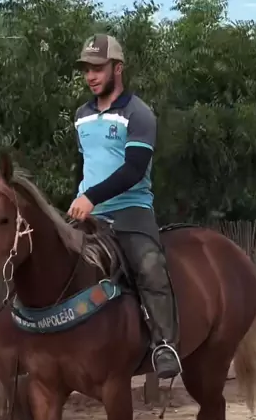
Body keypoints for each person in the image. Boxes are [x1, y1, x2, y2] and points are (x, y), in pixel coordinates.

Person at [68, 33, 182, 380]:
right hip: (88, 215)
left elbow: (133, 170)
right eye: (87, 69)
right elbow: (86, 165)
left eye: (98, 68)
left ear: (118, 68)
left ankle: (164, 345)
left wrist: (92, 197)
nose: (91, 76)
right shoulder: (81, 116)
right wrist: (80, 198)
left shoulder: (139, 113)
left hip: (131, 212)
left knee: (150, 267)